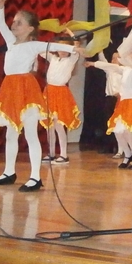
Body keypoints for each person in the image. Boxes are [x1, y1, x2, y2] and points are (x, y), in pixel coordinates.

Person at [0, 0, 80, 192]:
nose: (14, 24)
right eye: (14, 21)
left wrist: (74, 48)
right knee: (11, 134)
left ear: (30, 29)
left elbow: (53, 45)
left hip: (26, 90)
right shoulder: (10, 41)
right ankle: (9, 172)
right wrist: (0, 5)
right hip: (10, 89)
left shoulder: (33, 45)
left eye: (19, 22)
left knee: (30, 133)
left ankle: (35, 177)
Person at [86, 25, 132, 170]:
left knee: (129, 131)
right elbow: (111, 67)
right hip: (124, 103)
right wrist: (94, 63)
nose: (127, 56)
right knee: (118, 130)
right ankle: (127, 155)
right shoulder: (126, 69)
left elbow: (127, 60)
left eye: (131, 53)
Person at [39, 33, 82, 165]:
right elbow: (40, 50)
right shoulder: (52, 58)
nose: (63, 51)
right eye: (60, 48)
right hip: (49, 92)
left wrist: (71, 35)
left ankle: (64, 154)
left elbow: (76, 47)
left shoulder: (71, 59)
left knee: (58, 124)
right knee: (49, 126)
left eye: (65, 48)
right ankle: (51, 153)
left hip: (60, 93)